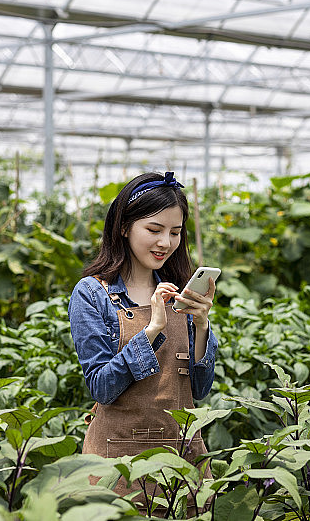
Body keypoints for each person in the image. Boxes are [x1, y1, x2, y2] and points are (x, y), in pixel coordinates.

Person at [68, 171, 218, 513]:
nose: (165, 242)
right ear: (124, 227)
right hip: (116, 465)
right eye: (154, 230)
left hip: (182, 458)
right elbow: (102, 388)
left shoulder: (181, 292)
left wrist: (201, 322)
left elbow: (200, 388)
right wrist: (150, 331)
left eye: (175, 232)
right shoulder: (93, 295)